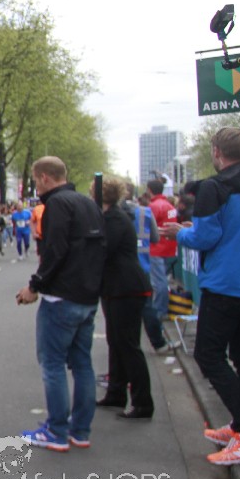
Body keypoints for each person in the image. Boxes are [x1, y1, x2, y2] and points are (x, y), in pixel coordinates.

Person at [160, 127, 240, 465]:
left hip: (226, 282)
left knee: (208, 355)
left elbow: (206, 238)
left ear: (216, 151)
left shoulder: (214, 187)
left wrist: (182, 234)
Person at [15, 156, 105, 452]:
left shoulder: (56, 205)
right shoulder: (89, 204)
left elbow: (55, 251)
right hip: (88, 295)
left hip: (62, 296)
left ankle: (56, 430)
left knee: (52, 363)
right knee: (82, 364)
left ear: (44, 177)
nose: (35, 186)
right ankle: (80, 429)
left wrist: (34, 286)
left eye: (35, 180)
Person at [94, 176, 155, 420]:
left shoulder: (114, 219)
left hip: (126, 287)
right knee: (116, 341)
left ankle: (143, 402)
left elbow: (103, 249)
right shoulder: (112, 217)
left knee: (128, 345)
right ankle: (116, 392)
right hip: (116, 287)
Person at [143, 178, 179, 351]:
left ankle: (158, 313)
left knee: (159, 283)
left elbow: (147, 229)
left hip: (156, 249)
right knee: (162, 281)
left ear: (149, 190)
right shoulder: (170, 206)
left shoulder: (153, 207)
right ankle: (161, 311)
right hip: (169, 248)